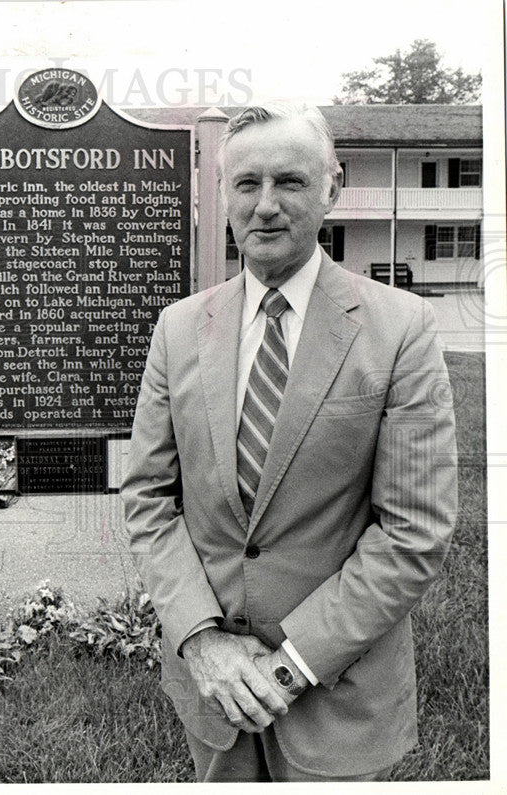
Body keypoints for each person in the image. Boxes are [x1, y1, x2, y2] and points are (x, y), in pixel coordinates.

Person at [121, 102, 458, 782]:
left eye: (290, 182)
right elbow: (150, 499)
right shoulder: (179, 329)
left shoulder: (400, 330)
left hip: (336, 696)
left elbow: (413, 529)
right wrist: (202, 639)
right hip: (211, 691)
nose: (266, 205)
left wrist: (290, 664)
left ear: (331, 187)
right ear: (223, 195)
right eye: (247, 184)